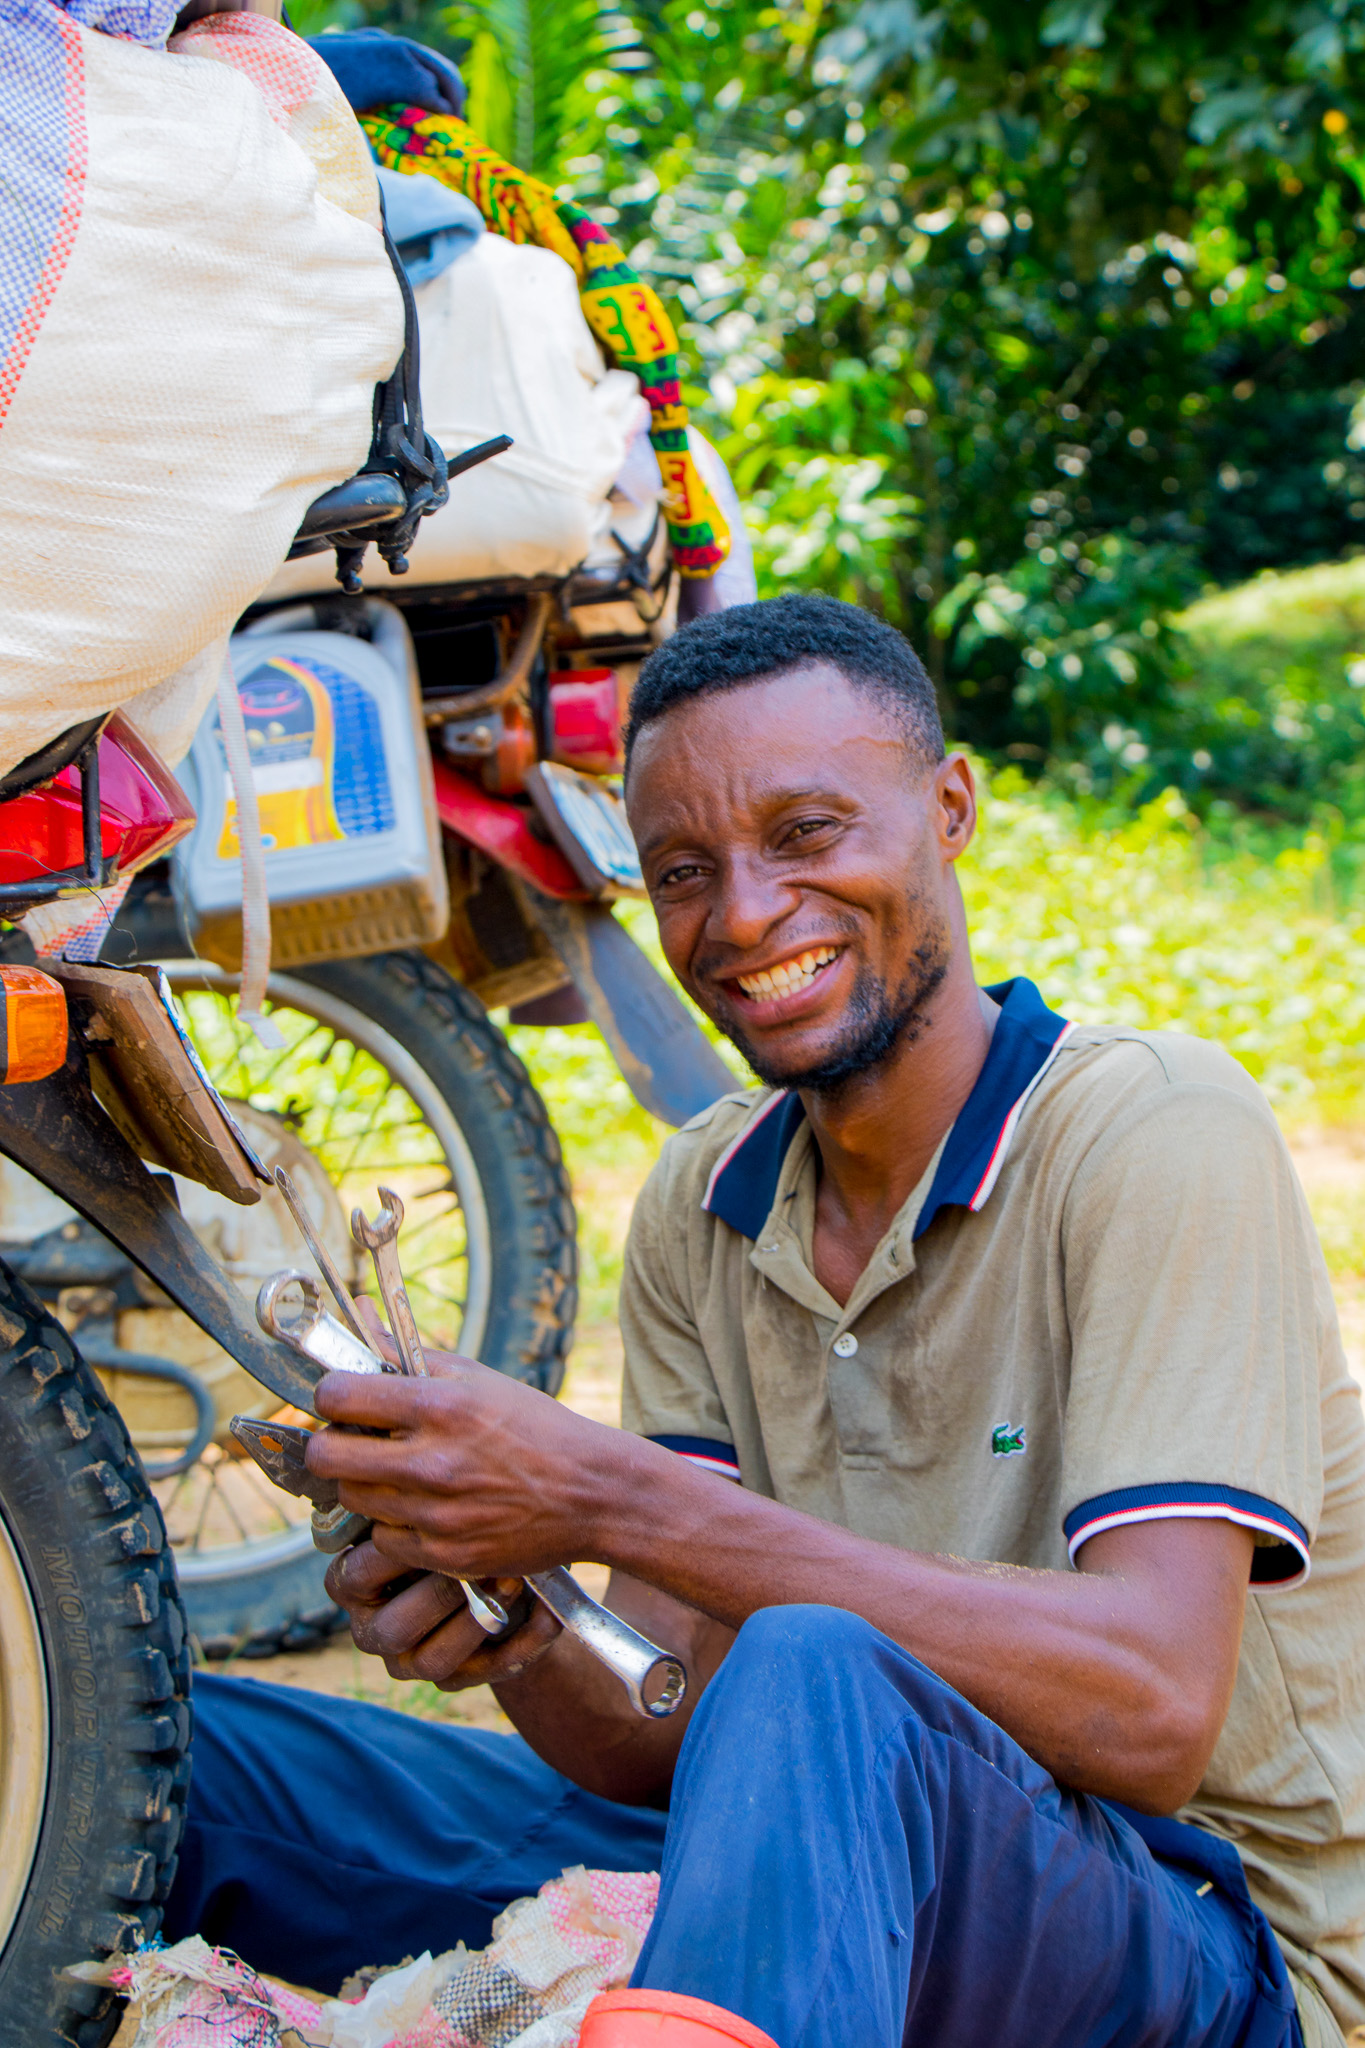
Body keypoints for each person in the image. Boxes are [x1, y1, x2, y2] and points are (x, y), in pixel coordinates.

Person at [165, 594, 1365, 2048]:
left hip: (1209, 1947)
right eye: (681, 871)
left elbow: (1152, 1715)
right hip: (823, 1882)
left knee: (813, 1665)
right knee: (171, 1753)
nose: (739, 916)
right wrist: (512, 1604)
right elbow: (662, 1728)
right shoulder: (702, 1200)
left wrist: (607, 1495)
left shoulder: (1152, 1132)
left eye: (806, 835)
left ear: (951, 807)